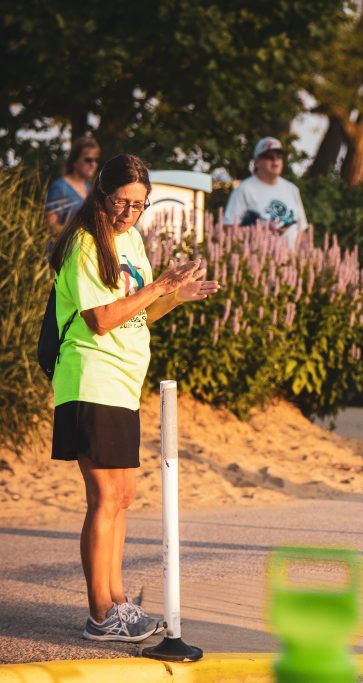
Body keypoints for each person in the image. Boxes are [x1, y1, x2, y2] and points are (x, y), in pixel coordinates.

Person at [48, 154, 220, 642]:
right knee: (104, 496)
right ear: (102, 195)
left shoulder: (133, 241)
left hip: (124, 381)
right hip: (90, 377)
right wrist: (159, 287)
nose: (128, 213)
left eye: (139, 205)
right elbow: (100, 319)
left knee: (123, 497)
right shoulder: (84, 243)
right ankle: (100, 613)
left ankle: (119, 602)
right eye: (121, 202)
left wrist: (170, 297)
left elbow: (137, 315)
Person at [223, 136, 309, 249]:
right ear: (257, 162)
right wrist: (259, 232)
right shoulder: (244, 189)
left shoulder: (292, 189)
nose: (275, 160)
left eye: (279, 156)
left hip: (291, 262)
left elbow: (302, 230)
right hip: (259, 262)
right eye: (269, 156)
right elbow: (228, 229)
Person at [45, 136, 101, 236]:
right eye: (88, 160)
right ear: (75, 161)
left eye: (96, 160)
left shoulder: (89, 188)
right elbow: (51, 226)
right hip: (62, 249)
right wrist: (79, 233)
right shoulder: (60, 187)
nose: (93, 164)